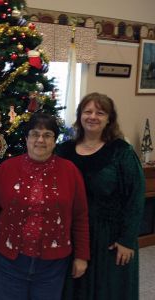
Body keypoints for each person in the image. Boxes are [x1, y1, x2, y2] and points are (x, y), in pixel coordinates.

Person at [0, 113, 90, 300]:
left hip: (53, 264)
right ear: (26, 138)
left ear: (55, 140)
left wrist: (82, 256)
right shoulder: (6, 169)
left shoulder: (70, 171)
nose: (40, 140)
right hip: (9, 262)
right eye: (34, 134)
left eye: (47, 135)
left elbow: (80, 216)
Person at [56, 92, 145, 300]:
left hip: (111, 239)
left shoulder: (121, 152)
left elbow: (136, 198)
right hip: (73, 234)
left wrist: (127, 239)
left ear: (109, 119)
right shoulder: (64, 151)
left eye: (100, 112)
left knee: (109, 291)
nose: (92, 116)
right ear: (79, 116)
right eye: (87, 111)